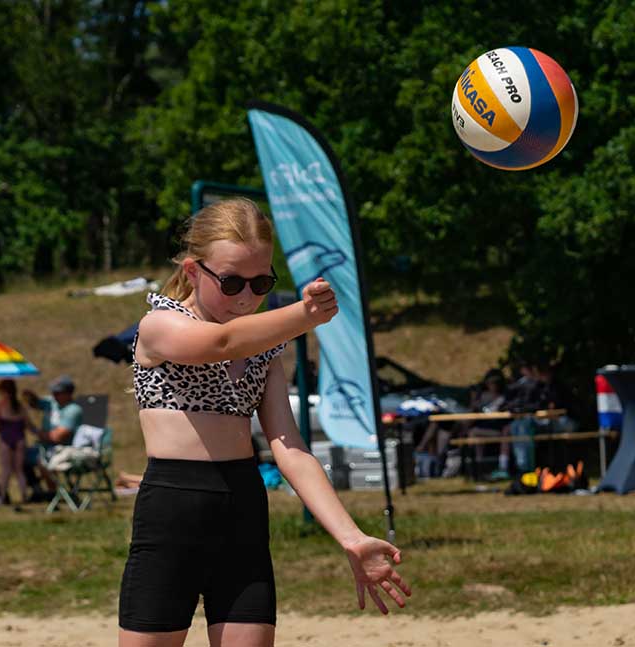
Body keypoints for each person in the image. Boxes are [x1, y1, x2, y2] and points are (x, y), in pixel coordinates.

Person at [120, 198, 410, 647]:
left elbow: (290, 449)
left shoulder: (264, 346)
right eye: (233, 282)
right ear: (195, 271)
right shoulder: (159, 324)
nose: (247, 297)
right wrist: (302, 316)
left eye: (261, 283)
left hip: (242, 513)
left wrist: (351, 537)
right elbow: (220, 343)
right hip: (172, 511)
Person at [21, 375, 83, 500]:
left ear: (67, 393)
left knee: (42, 460)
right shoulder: (52, 402)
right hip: (44, 445)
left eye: (57, 392)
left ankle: (52, 493)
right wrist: (30, 396)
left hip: (62, 448)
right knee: (19, 457)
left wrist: (36, 431)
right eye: (53, 392)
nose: (54, 395)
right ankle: (37, 490)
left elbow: (58, 437)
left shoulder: (73, 410)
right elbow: (36, 403)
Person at [0, 379, 32, 504]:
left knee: (6, 470)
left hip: (6, 439)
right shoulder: (20, 406)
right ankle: (24, 496)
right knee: (19, 470)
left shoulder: (0, 406)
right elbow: (28, 424)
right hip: (19, 438)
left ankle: (2, 496)